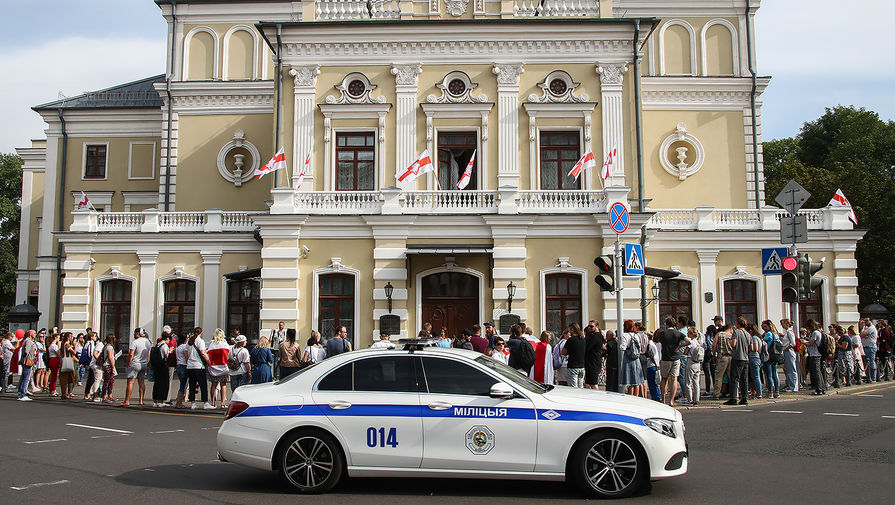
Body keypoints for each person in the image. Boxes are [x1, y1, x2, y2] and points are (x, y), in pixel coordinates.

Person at [658, 317, 685, 406]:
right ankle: (672, 400)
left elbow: (658, 340)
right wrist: (680, 346)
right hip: (676, 358)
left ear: (667, 324)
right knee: (674, 379)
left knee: (664, 379)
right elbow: (689, 341)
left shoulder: (663, 334)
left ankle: (663, 399)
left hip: (665, 358)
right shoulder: (678, 333)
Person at [724, 317, 751, 405]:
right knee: (744, 379)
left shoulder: (736, 332)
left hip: (737, 357)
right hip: (746, 358)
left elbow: (734, 343)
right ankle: (744, 397)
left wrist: (729, 342)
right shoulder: (747, 334)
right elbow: (751, 347)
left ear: (738, 324)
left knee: (734, 378)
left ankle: (733, 398)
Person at [123, 328, 152, 406]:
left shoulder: (135, 342)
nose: (134, 335)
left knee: (130, 382)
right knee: (141, 382)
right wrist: (146, 362)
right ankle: (141, 400)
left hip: (135, 363)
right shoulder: (147, 342)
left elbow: (131, 354)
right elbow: (149, 354)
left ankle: (127, 401)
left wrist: (128, 363)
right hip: (143, 364)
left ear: (137, 333)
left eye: (135, 333)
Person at [186, 328, 213, 410]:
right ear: (201, 333)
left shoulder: (189, 341)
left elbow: (187, 354)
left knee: (192, 385)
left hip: (190, 365)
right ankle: (205, 403)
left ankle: (193, 403)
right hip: (199, 365)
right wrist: (209, 362)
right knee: (203, 385)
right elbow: (203, 353)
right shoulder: (200, 341)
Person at [206, 328, 230, 408]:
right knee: (223, 385)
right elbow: (228, 356)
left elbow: (208, 354)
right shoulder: (225, 344)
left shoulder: (212, 344)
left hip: (213, 367)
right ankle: (223, 403)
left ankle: (213, 403)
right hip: (223, 367)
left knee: (214, 385)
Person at [618, 320, 644, 396]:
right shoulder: (636, 335)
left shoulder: (625, 335)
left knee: (630, 382)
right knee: (636, 381)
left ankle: (631, 397)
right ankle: (636, 397)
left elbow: (623, 347)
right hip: (636, 359)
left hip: (628, 359)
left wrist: (619, 342)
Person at [561, 323, 586, 388]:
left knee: (573, 389)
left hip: (573, 366)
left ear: (572, 329)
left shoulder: (571, 340)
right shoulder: (583, 339)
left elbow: (563, 352)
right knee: (580, 387)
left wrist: (569, 351)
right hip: (582, 366)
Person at [761, 320, 781, 398]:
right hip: (775, 356)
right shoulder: (776, 334)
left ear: (769, 326)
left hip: (769, 355)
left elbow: (763, 342)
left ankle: (770, 392)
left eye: (765, 326)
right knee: (774, 374)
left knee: (769, 375)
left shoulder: (768, 334)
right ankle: (777, 391)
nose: (763, 328)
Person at [150, 333, 171, 407]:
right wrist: (170, 352)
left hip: (156, 365)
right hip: (163, 366)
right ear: (167, 339)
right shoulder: (164, 346)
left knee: (157, 383)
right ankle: (161, 401)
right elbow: (167, 356)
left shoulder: (158, 344)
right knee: (164, 383)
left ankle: (155, 400)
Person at [584, 321, 605, 390]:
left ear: (597, 326)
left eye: (591, 326)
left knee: (593, 383)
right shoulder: (598, 335)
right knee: (587, 383)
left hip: (593, 363)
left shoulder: (594, 336)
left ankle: (598, 397)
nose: (589, 328)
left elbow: (586, 347)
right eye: (588, 326)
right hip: (591, 362)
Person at [684, 327, 703, 405]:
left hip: (691, 361)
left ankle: (690, 399)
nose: (687, 334)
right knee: (696, 382)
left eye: (688, 333)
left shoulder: (691, 343)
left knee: (688, 382)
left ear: (691, 334)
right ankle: (696, 399)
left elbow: (685, 352)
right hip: (698, 363)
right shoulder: (699, 342)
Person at [779, 319, 799, 392]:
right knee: (788, 369)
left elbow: (793, 343)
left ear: (787, 324)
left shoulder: (790, 332)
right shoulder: (787, 332)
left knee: (791, 369)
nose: (782, 325)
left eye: (783, 324)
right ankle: (790, 385)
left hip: (789, 351)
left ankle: (793, 387)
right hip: (787, 351)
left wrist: (786, 348)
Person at [17, 330, 37, 401]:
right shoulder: (28, 341)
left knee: (23, 378)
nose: (35, 334)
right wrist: (23, 359)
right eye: (34, 333)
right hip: (27, 361)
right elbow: (26, 351)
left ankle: (20, 393)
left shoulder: (27, 341)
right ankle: (23, 394)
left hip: (26, 361)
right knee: (25, 378)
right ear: (30, 334)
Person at [173, 334, 191, 409]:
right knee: (184, 385)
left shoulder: (178, 347)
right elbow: (186, 356)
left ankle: (178, 402)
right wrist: (188, 365)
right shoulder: (184, 346)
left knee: (182, 384)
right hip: (184, 366)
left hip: (179, 365)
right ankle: (179, 403)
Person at [746, 324, 763, 399]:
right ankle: (754, 392)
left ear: (751, 331)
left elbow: (755, 348)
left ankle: (759, 393)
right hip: (757, 358)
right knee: (754, 377)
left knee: (756, 377)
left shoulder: (754, 338)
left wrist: (749, 348)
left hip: (754, 358)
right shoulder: (758, 338)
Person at [58, 332, 78, 399]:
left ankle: (65, 393)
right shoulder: (67, 344)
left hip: (65, 361)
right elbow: (74, 353)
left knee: (66, 378)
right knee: (65, 378)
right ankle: (64, 394)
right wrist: (75, 346)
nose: (72, 338)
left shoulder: (64, 344)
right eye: (71, 336)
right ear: (68, 337)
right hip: (67, 362)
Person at [99, 334, 117, 403]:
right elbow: (110, 357)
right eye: (114, 338)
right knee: (107, 381)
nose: (115, 339)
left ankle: (110, 395)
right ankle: (104, 396)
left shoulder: (107, 346)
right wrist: (113, 367)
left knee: (111, 381)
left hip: (108, 365)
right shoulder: (109, 347)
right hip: (108, 366)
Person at [860, 318, 878, 383]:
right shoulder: (867, 328)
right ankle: (869, 376)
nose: (865, 322)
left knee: (871, 362)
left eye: (867, 321)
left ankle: (873, 378)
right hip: (865, 347)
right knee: (867, 363)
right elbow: (862, 335)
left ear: (870, 321)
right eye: (864, 321)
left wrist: (862, 328)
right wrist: (864, 334)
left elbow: (862, 334)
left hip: (870, 347)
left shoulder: (871, 328)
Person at [646, 331, 662, 401]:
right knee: (653, 382)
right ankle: (657, 396)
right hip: (654, 364)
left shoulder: (650, 344)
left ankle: (656, 397)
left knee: (652, 383)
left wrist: (656, 363)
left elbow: (651, 355)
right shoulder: (652, 344)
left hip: (651, 365)